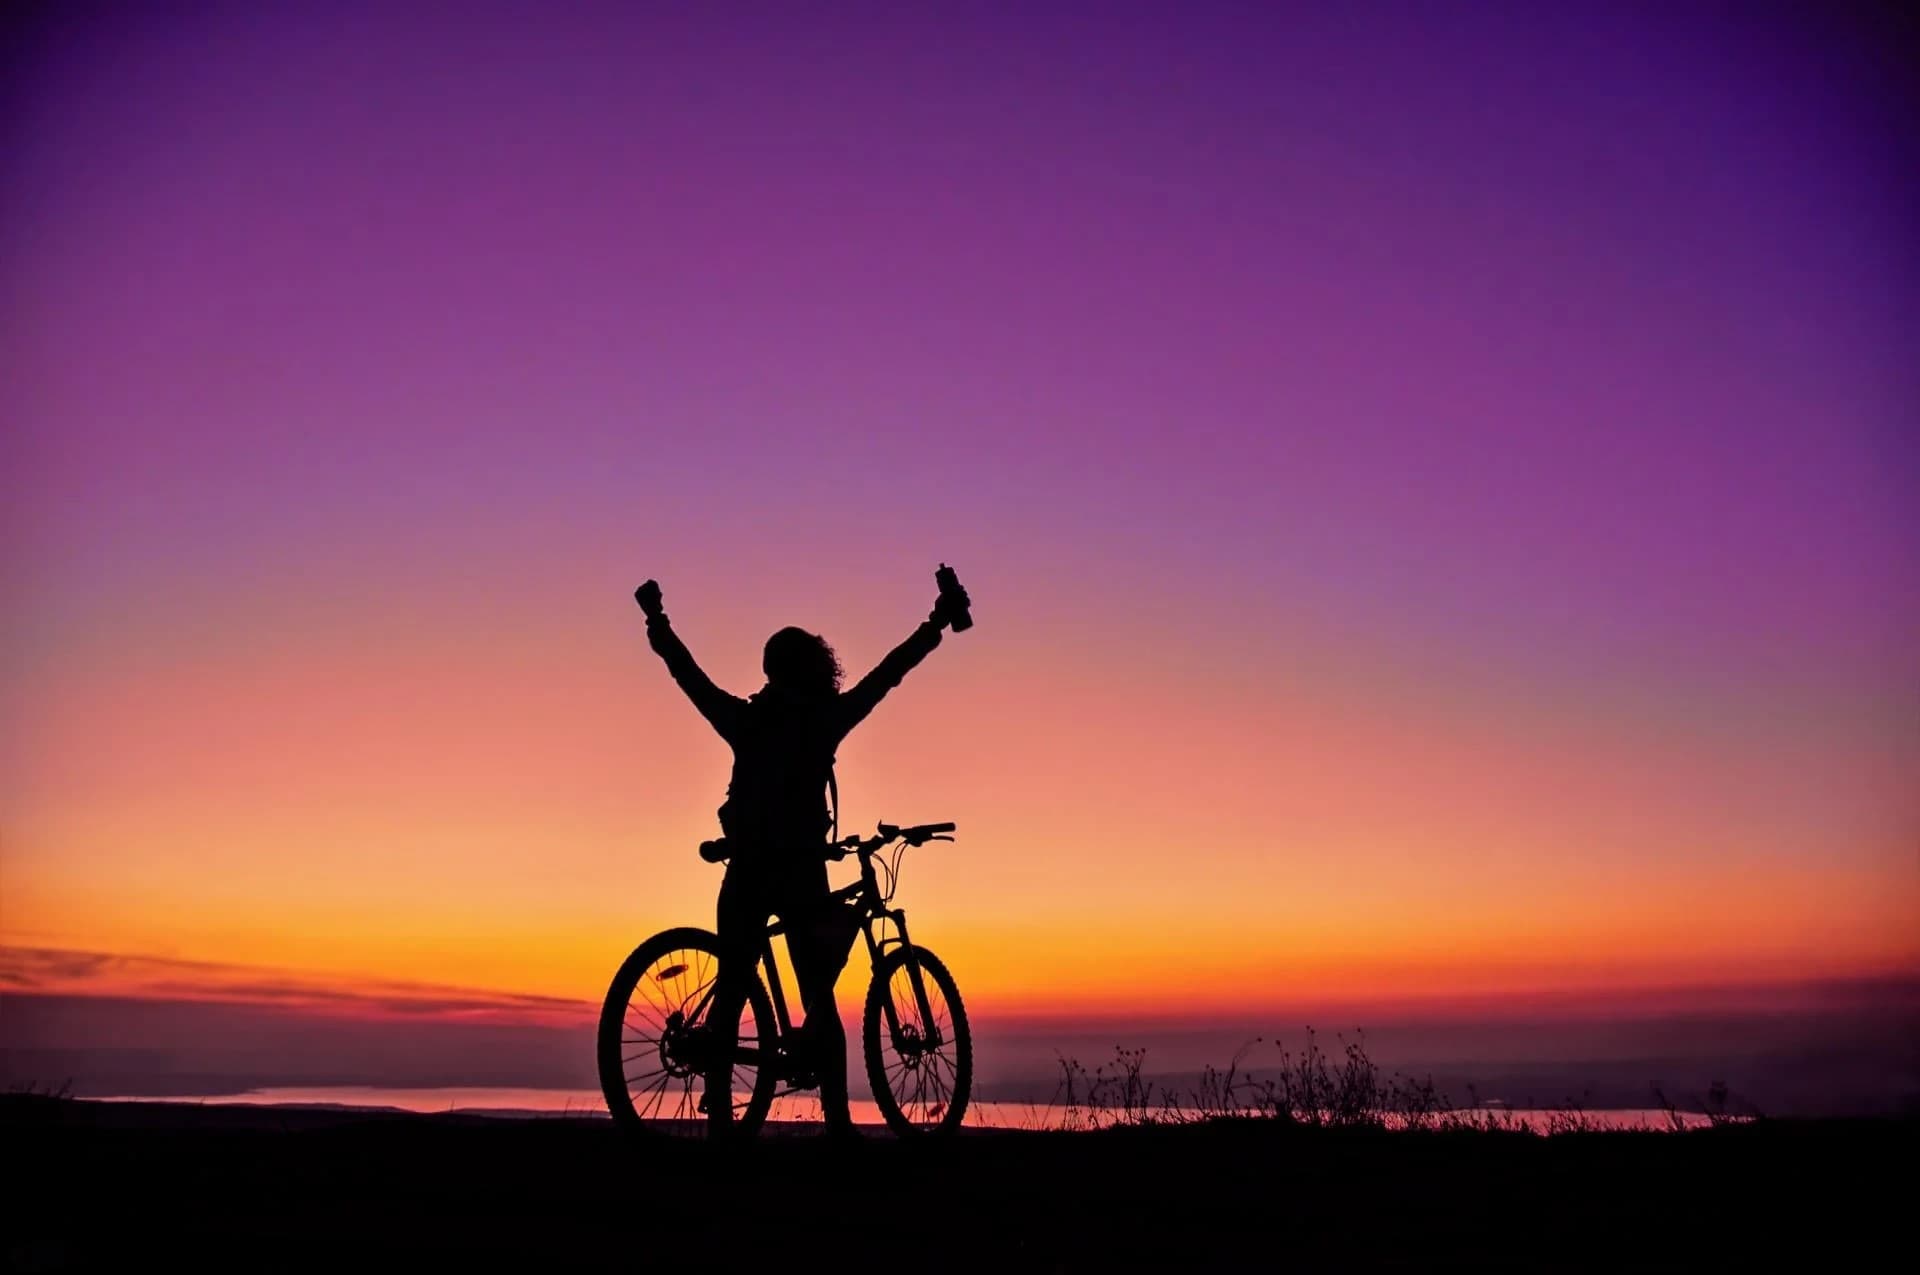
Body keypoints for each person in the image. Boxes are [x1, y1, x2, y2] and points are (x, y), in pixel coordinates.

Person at [635, 573, 970, 1138]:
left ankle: (722, 1129)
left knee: (734, 989)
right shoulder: (821, 722)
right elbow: (886, 675)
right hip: (797, 871)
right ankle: (838, 1129)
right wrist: (935, 623)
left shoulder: (748, 720)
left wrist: (657, 621)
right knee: (818, 998)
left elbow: (688, 677)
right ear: (812, 669)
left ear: (771, 670)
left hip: (747, 867)